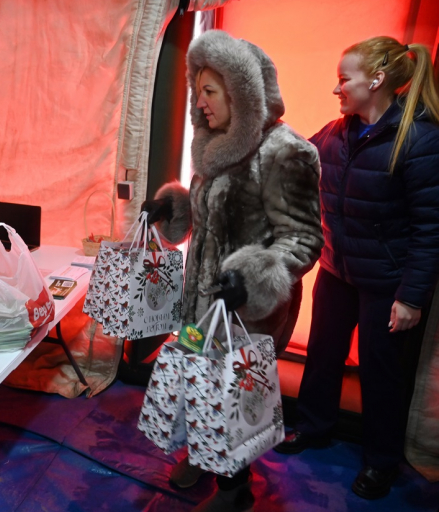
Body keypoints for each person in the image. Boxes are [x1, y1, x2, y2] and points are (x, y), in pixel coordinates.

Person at [142, 30, 323, 511]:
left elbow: (304, 239)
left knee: (229, 392)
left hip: (247, 311)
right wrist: (172, 207)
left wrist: (253, 278)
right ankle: (203, 457)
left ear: (241, 93)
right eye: (196, 90)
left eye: (209, 91)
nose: (199, 103)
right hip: (201, 304)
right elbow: (209, 217)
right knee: (198, 380)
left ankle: (234, 489)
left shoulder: (285, 152)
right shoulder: (215, 146)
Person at [274, 36, 439, 500]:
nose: (337, 88)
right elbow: (295, 159)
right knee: (323, 354)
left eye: (344, 79)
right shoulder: (336, 131)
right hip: (337, 270)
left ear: (378, 80)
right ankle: (314, 426)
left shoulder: (421, 140)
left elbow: (431, 229)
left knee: (381, 373)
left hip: (388, 282)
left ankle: (380, 461)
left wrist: (410, 297)